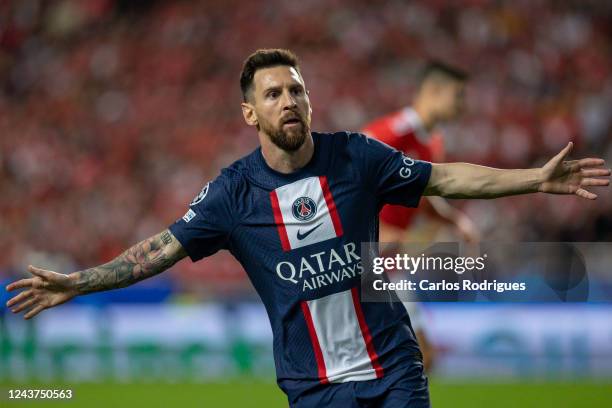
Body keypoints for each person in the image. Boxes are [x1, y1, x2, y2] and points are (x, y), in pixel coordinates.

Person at [5, 49, 610, 408]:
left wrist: (536, 178)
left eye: (297, 89)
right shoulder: (231, 194)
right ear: (250, 113)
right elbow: (158, 250)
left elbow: (447, 178)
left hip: (394, 366)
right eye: (273, 93)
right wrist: (78, 283)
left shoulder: (357, 156)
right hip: (314, 386)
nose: (289, 99)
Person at [362, 61, 477, 372]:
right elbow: (347, 177)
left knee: (422, 357)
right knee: (410, 357)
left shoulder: (431, 140)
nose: (462, 105)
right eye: (458, 96)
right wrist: (376, 230)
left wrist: (453, 220)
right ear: (434, 92)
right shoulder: (395, 132)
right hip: (364, 264)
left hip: (390, 264)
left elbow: (424, 195)